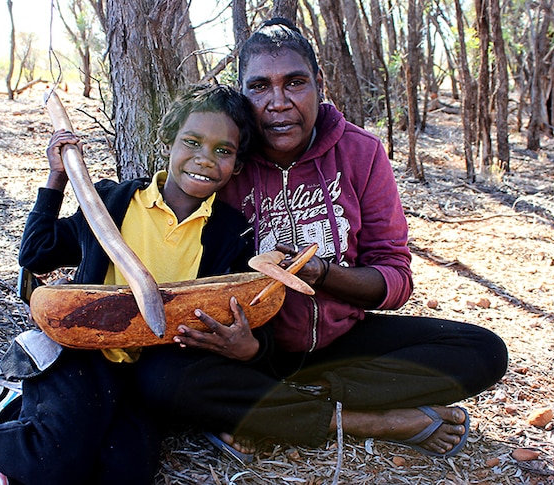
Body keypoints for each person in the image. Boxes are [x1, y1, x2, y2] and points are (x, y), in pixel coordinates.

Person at [0, 83, 258, 485]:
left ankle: (12, 407)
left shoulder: (229, 233)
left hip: (140, 377)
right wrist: (57, 177)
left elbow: (230, 315)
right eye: (192, 141)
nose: (204, 158)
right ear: (167, 140)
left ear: (236, 164)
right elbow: (36, 253)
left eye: (222, 150)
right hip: (81, 353)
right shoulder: (111, 202)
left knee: (124, 472)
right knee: (52, 458)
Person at [136, 17, 509, 460]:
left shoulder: (361, 153)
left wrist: (323, 273)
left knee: (482, 352)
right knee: (158, 378)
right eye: (259, 87)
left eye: (294, 82)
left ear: (319, 83)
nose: (278, 102)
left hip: (341, 346)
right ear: (243, 94)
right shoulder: (226, 159)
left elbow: (394, 279)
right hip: (251, 348)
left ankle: (273, 407)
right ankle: (360, 419)